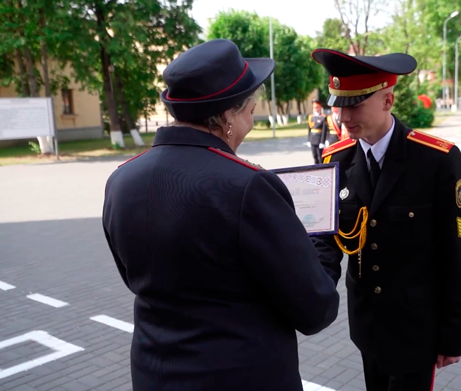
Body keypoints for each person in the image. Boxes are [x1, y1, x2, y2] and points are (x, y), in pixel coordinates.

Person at [102, 39, 339, 391]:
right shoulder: (249, 187)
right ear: (227, 117)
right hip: (240, 376)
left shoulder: (122, 178)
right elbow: (315, 307)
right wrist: (323, 241)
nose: (252, 122)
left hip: (155, 374)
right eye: (250, 112)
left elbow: (135, 276)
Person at [310, 47, 461, 391]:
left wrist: (454, 334)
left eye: (354, 104)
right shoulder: (337, 160)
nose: (342, 116)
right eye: (338, 104)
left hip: (417, 326)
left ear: (387, 101)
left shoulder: (436, 160)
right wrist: (311, 290)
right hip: (367, 322)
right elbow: (325, 242)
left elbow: (460, 254)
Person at [308, 99, 329, 164]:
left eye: (317, 107)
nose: (315, 108)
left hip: (319, 139)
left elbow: (324, 130)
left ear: (320, 107)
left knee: (320, 157)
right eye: (314, 107)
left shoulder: (323, 117)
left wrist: (322, 142)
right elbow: (309, 129)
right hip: (312, 139)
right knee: (314, 156)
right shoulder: (311, 117)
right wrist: (308, 140)